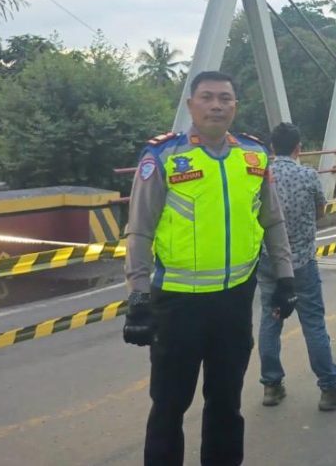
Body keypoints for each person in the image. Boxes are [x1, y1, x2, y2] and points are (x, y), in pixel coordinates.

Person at [122, 70, 298, 466]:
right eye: (206, 97)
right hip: (177, 304)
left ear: (235, 106)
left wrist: (286, 277)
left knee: (226, 402)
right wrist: (137, 295)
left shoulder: (254, 155)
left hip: (234, 301)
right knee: (169, 406)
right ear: (190, 105)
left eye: (225, 98)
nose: (216, 105)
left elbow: (272, 220)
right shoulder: (164, 156)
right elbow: (140, 230)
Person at [258, 122, 336, 411]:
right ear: (299, 148)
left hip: (268, 261)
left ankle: (271, 385)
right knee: (313, 323)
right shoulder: (308, 176)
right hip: (301, 262)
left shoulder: (260, 177)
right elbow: (321, 210)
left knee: (271, 319)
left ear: (272, 148)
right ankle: (330, 388)